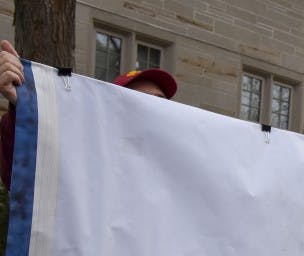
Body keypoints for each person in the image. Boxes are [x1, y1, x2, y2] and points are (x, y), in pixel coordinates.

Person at [0, 40, 179, 188]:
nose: (151, 107)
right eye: (138, 99)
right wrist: (25, 106)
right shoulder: (87, 159)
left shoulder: (177, 162)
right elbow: (27, 176)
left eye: (160, 101)